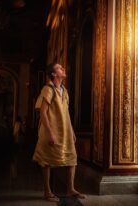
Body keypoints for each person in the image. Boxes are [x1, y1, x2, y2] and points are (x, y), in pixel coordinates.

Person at [33, 63, 86, 202]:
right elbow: (43, 113)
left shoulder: (65, 91)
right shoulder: (48, 89)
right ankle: (47, 192)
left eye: (63, 67)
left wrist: (72, 131)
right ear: (53, 74)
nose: (63, 69)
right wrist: (50, 133)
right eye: (59, 68)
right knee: (46, 160)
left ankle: (70, 189)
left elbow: (66, 113)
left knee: (72, 158)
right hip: (50, 130)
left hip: (64, 130)